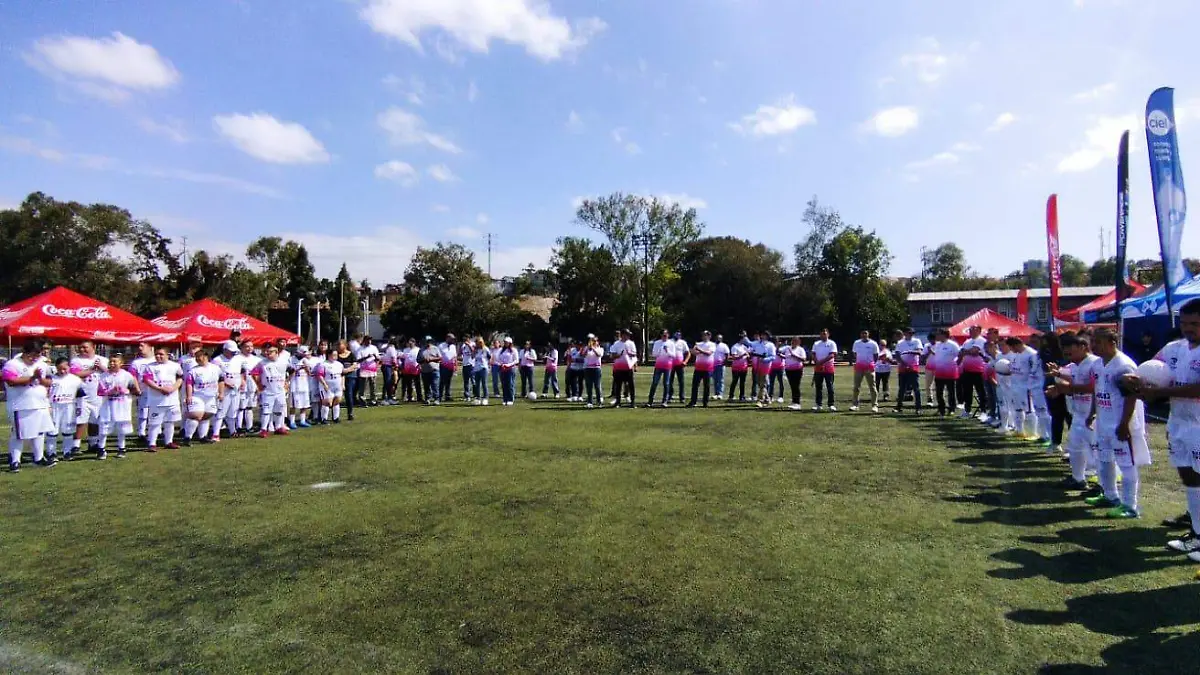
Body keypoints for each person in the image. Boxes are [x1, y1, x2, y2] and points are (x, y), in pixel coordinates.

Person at [1142, 300, 1200, 558]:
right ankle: (1197, 534)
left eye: (1195, 324)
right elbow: (1152, 369)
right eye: (1185, 323)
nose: (1189, 329)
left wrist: (1161, 391)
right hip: (1178, 423)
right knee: (1189, 478)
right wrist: (1136, 380)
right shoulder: (1173, 348)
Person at [1085, 328, 1149, 518]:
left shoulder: (1124, 365)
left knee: (1126, 463)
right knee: (1104, 460)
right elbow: (1097, 392)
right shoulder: (1097, 364)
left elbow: (1131, 397)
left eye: (1098, 342)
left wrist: (1124, 424)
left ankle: (1130, 506)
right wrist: (1092, 413)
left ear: (1112, 343)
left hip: (1121, 423)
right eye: (1092, 342)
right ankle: (1110, 495)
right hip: (1104, 421)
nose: (1093, 346)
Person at [1050, 334, 1101, 491]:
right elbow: (1073, 380)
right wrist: (1058, 385)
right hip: (1079, 412)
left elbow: (1094, 387)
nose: (1066, 353)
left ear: (1083, 347)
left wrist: (1068, 389)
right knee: (1075, 447)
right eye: (1064, 350)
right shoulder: (1076, 365)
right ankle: (1078, 479)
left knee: (1097, 450)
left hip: (1094, 413)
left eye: (1070, 349)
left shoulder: (1094, 364)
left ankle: (1103, 484)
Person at [1008, 336, 1051, 446]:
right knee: (1018, 409)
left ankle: (1035, 433)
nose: (1012, 350)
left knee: (1031, 410)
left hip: (1027, 386)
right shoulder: (1016, 354)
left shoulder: (1031, 354)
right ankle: (1020, 430)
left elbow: (1035, 371)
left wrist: (1030, 385)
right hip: (1016, 385)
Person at [96, 353, 141, 460]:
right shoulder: (103, 376)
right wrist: (110, 391)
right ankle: (101, 449)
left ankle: (121, 448)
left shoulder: (126, 375)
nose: (112, 364)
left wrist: (126, 390)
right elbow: (99, 392)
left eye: (114, 361)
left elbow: (135, 390)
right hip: (107, 406)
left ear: (121, 363)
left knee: (122, 428)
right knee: (104, 427)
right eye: (110, 361)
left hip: (122, 406)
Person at [68, 340, 108, 457]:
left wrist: (100, 367)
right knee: (80, 420)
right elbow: (76, 374)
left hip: (98, 395)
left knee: (95, 420)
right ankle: (76, 445)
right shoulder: (76, 360)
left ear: (93, 347)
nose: (82, 350)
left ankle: (93, 443)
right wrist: (92, 370)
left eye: (85, 347)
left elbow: (110, 373)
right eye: (80, 347)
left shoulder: (103, 359)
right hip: (82, 395)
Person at [141, 346, 184, 451]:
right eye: (156, 354)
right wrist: (160, 389)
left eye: (161, 354)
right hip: (156, 400)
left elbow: (180, 378)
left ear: (167, 355)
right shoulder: (150, 366)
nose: (158, 356)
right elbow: (147, 380)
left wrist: (173, 388)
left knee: (170, 421)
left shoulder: (175, 366)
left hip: (172, 400)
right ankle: (152, 444)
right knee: (154, 422)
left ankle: (169, 442)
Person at [183, 348, 222, 445]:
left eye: (199, 356)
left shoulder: (216, 368)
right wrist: (189, 396)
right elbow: (189, 384)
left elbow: (221, 380)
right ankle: (187, 437)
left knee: (206, 416)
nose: (197, 359)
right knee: (196, 415)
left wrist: (221, 393)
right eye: (196, 357)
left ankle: (203, 437)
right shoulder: (193, 371)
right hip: (197, 396)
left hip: (211, 397)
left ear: (206, 356)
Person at [47, 357, 82, 462]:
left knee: (68, 430)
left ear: (69, 367)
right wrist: (47, 406)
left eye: (64, 368)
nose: (62, 371)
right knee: (52, 431)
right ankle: (51, 453)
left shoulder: (75, 380)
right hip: (54, 407)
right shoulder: (51, 379)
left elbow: (80, 395)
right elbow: (46, 393)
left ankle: (67, 452)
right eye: (59, 369)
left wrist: (79, 407)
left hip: (69, 407)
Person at [1040, 332, 1070, 454]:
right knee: (1056, 416)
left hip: (1066, 387)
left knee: (1070, 416)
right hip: (1051, 385)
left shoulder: (1065, 355)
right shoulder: (1044, 354)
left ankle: (1070, 446)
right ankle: (1056, 442)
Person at [252, 344, 291, 437]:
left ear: (276, 352)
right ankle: (264, 429)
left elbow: (292, 370)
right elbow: (254, 373)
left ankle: (278, 427)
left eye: (270, 352)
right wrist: (259, 385)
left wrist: (287, 382)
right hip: (268, 392)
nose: (267, 354)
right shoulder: (262, 363)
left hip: (280, 391)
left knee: (279, 409)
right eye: (266, 352)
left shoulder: (284, 362)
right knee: (266, 411)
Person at [212, 340, 246, 440]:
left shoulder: (238, 359)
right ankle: (215, 434)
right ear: (225, 350)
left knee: (233, 412)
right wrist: (226, 383)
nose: (233, 353)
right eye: (231, 351)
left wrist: (242, 381)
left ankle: (232, 431)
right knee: (220, 412)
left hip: (236, 389)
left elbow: (242, 371)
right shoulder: (217, 360)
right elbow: (215, 376)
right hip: (223, 390)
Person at [957, 326, 989, 421]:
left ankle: (983, 411)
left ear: (979, 330)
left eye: (973, 329)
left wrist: (966, 352)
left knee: (981, 391)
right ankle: (967, 410)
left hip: (979, 370)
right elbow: (961, 352)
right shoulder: (967, 341)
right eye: (970, 330)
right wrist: (966, 352)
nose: (971, 331)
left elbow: (975, 352)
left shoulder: (981, 340)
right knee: (967, 391)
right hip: (967, 370)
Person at [930, 330, 961, 417]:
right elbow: (938, 355)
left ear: (944, 335)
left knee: (951, 391)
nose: (936, 336)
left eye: (938, 334)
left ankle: (951, 409)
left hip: (950, 372)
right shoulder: (938, 344)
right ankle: (941, 409)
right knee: (939, 392)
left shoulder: (952, 345)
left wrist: (955, 364)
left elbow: (959, 355)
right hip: (939, 371)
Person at [129, 341, 155, 441]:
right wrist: (137, 388)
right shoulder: (136, 362)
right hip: (143, 391)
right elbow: (133, 376)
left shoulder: (155, 360)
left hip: (156, 391)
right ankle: (141, 433)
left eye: (142, 346)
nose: (140, 348)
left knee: (156, 411)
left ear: (150, 347)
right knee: (143, 412)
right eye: (139, 346)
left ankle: (156, 432)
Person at [850, 330, 881, 413]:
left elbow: (876, 355)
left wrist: (871, 364)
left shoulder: (873, 344)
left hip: (869, 367)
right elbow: (854, 353)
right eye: (862, 333)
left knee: (872, 387)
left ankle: (874, 405)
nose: (864, 335)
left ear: (868, 334)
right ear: (860, 334)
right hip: (859, 367)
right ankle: (855, 405)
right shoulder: (856, 343)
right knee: (856, 387)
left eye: (865, 333)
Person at [315, 348, 346, 423]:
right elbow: (319, 375)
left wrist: (343, 384)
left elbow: (342, 375)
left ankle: (336, 418)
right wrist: (324, 384)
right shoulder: (323, 364)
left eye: (336, 355)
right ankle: (323, 418)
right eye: (334, 355)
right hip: (328, 386)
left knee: (337, 401)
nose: (335, 356)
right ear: (329, 355)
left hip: (337, 386)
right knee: (327, 402)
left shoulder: (339, 364)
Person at [648, 329, 678, 407]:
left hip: (668, 366)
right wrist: (659, 351)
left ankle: (665, 401)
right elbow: (654, 354)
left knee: (666, 383)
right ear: (661, 335)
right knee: (654, 383)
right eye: (663, 335)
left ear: (668, 335)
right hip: (659, 365)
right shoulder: (657, 343)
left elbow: (674, 355)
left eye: (666, 335)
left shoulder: (671, 343)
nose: (664, 336)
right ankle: (650, 401)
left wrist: (667, 351)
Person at [288, 345, 314, 428]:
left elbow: (309, 373)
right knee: (293, 405)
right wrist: (299, 368)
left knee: (304, 404)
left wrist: (306, 368)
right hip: (294, 385)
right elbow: (290, 372)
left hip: (304, 384)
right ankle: (292, 421)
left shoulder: (305, 360)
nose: (303, 356)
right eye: (302, 354)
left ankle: (302, 420)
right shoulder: (291, 359)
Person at [239, 340, 263, 434]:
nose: (249, 348)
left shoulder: (256, 359)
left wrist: (258, 386)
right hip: (241, 387)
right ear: (241, 347)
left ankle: (249, 427)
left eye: (251, 346)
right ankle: (238, 428)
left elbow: (260, 374)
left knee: (249, 407)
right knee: (240, 408)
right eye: (247, 346)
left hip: (252, 386)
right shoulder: (237, 358)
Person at [609, 329, 637, 408]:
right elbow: (612, 355)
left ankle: (632, 402)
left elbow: (634, 354)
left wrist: (630, 354)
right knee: (618, 385)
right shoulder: (616, 344)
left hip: (628, 367)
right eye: (627, 334)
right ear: (623, 335)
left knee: (631, 385)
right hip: (619, 367)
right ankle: (618, 402)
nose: (628, 336)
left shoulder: (631, 343)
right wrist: (619, 355)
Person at [688, 331, 716, 408]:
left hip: (708, 368)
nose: (704, 336)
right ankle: (693, 401)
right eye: (703, 335)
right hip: (698, 368)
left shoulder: (712, 344)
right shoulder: (698, 344)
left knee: (706, 386)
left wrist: (699, 350)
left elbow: (709, 353)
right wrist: (696, 350)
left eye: (706, 335)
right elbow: (693, 352)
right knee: (695, 385)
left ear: (709, 336)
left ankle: (705, 402)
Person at [811, 329, 838, 412]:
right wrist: (816, 362)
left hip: (828, 367)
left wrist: (821, 362)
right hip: (818, 368)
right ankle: (818, 404)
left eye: (825, 334)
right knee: (818, 387)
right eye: (822, 334)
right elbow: (813, 354)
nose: (823, 335)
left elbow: (832, 354)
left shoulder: (831, 343)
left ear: (828, 334)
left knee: (830, 386)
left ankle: (831, 405)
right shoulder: (816, 344)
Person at [783, 336, 807, 410]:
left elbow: (803, 359)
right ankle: (794, 402)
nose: (793, 342)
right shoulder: (788, 349)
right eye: (792, 341)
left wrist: (794, 355)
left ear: (798, 342)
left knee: (796, 386)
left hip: (797, 370)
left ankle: (797, 403)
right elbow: (786, 357)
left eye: (795, 341)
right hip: (788, 370)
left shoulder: (800, 349)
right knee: (792, 386)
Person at [356, 335, 380, 406]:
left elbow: (378, 358)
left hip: (372, 369)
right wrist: (366, 357)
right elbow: (358, 360)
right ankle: (362, 400)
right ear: (364, 340)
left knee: (373, 385)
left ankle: (373, 400)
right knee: (363, 387)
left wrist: (376, 357)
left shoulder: (374, 348)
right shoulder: (360, 349)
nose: (369, 341)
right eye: (368, 340)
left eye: (370, 340)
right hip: (364, 370)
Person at [583, 334, 604, 408]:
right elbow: (583, 355)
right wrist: (588, 348)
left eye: (595, 341)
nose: (594, 342)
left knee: (597, 386)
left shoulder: (600, 349)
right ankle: (589, 402)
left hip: (596, 369)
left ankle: (599, 402)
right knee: (589, 386)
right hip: (588, 368)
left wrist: (593, 348)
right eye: (592, 341)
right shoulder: (587, 348)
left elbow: (599, 355)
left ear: (598, 342)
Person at [497, 337, 519, 406]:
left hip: (511, 369)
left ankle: (510, 399)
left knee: (510, 384)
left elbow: (516, 360)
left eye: (507, 342)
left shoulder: (513, 350)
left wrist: (509, 365)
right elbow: (498, 358)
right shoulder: (501, 350)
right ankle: (505, 399)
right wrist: (502, 364)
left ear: (510, 343)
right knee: (504, 385)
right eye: (505, 342)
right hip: (503, 368)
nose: (505, 343)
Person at [419, 336, 442, 405]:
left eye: (429, 341)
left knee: (435, 385)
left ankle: (436, 399)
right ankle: (427, 398)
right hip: (425, 371)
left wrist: (431, 359)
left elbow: (440, 358)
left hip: (434, 370)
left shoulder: (435, 348)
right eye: (426, 341)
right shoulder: (421, 350)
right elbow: (418, 360)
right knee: (426, 386)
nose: (427, 343)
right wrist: (424, 360)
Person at [728, 334, 750, 402]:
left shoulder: (744, 347)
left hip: (744, 367)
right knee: (735, 381)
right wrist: (743, 355)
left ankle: (742, 396)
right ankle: (731, 396)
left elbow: (748, 354)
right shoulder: (735, 347)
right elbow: (734, 357)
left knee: (742, 382)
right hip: (736, 367)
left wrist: (747, 356)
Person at [669, 332, 690, 403]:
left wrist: (685, 361)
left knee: (681, 381)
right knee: (669, 381)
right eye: (676, 335)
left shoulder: (683, 342)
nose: (677, 336)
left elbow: (688, 353)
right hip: (670, 364)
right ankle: (669, 396)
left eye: (679, 335)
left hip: (680, 364)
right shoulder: (669, 342)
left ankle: (682, 397)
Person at [471, 337, 492, 405]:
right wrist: (474, 351)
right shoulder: (476, 350)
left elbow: (490, 358)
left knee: (484, 383)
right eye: (477, 343)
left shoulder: (485, 349)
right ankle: (478, 398)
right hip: (476, 368)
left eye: (479, 342)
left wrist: (488, 366)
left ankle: (485, 398)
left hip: (483, 368)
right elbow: (472, 357)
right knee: (477, 384)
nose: (478, 344)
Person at [438, 334, 458, 402]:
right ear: (447, 338)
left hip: (451, 366)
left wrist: (455, 367)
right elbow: (438, 356)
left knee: (448, 382)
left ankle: (447, 396)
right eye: (452, 339)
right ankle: (439, 396)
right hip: (443, 366)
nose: (453, 340)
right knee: (442, 382)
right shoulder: (441, 346)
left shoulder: (453, 346)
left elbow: (455, 357)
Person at [400, 338, 421, 403]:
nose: (410, 344)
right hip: (407, 370)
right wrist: (402, 367)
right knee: (409, 384)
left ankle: (419, 397)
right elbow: (403, 359)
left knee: (417, 384)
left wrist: (420, 366)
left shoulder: (418, 349)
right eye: (409, 343)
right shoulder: (406, 350)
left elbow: (420, 358)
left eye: (411, 343)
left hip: (416, 369)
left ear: (414, 343)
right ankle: (409, 397)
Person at [381, 338, 399, 405]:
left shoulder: (388, 348)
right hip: (388, 366)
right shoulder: (392, 349)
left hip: (385, 366)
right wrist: (396, 366)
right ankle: (387, 398)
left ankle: (387, 397)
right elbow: (393, 359)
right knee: (388, 383)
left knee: (387, 382)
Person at [875, 338, 893, 403]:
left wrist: (887, 359)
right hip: (877, 370)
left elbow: (891, 361)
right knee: (876, 383)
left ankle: (886, 395)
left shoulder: (888, 352)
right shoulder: (876, 351)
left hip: (886, 370)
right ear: (879, 345)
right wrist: (880, 358)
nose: (882, 346)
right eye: (881, 344)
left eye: (884, 345)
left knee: (885, 383)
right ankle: (875, 395)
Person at [713, 334, 730, 400]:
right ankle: (716, 393)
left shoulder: (724, 345)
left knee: (720, 380)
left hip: (721, 365)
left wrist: (725, 362)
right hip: (713, 365)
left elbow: (727, 354)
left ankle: (720, 394)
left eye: (719, 338)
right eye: (717, 338)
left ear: (721, 339)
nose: (718, 339)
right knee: (715, 380)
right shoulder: (713, 345)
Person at [460, 337, 475, 402]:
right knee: (466, 381)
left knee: (473, 381)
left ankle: (476, 394)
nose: (465, 341)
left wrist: (468, 345)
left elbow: (473, 351)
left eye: (466, 339)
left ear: (469, 339)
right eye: (464, 340)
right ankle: (467, 396)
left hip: (471, 365)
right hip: (465, 365)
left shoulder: (473, 344)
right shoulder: (463, 346)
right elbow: (460, 353)